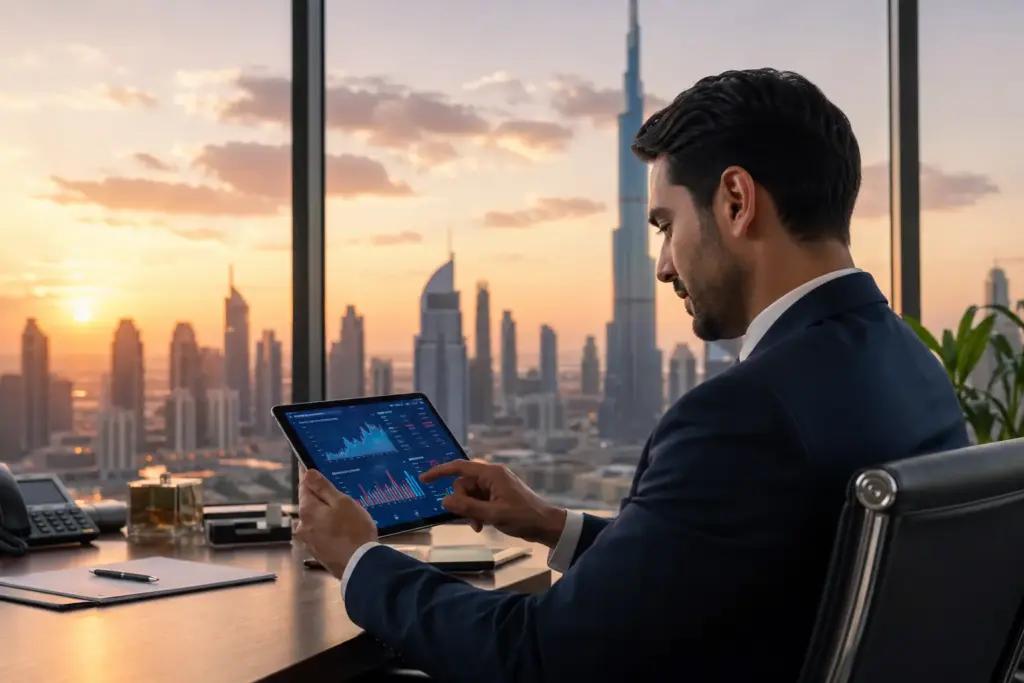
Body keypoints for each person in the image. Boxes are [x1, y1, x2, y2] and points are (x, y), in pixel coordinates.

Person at [295, 68, 968, 682]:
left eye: (665, 225)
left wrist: (360, 561)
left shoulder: (746, 412)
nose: (664, 266)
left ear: (736, 201)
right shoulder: (911, 367)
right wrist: (551, 523)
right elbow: (727, 560)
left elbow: (541, 657)